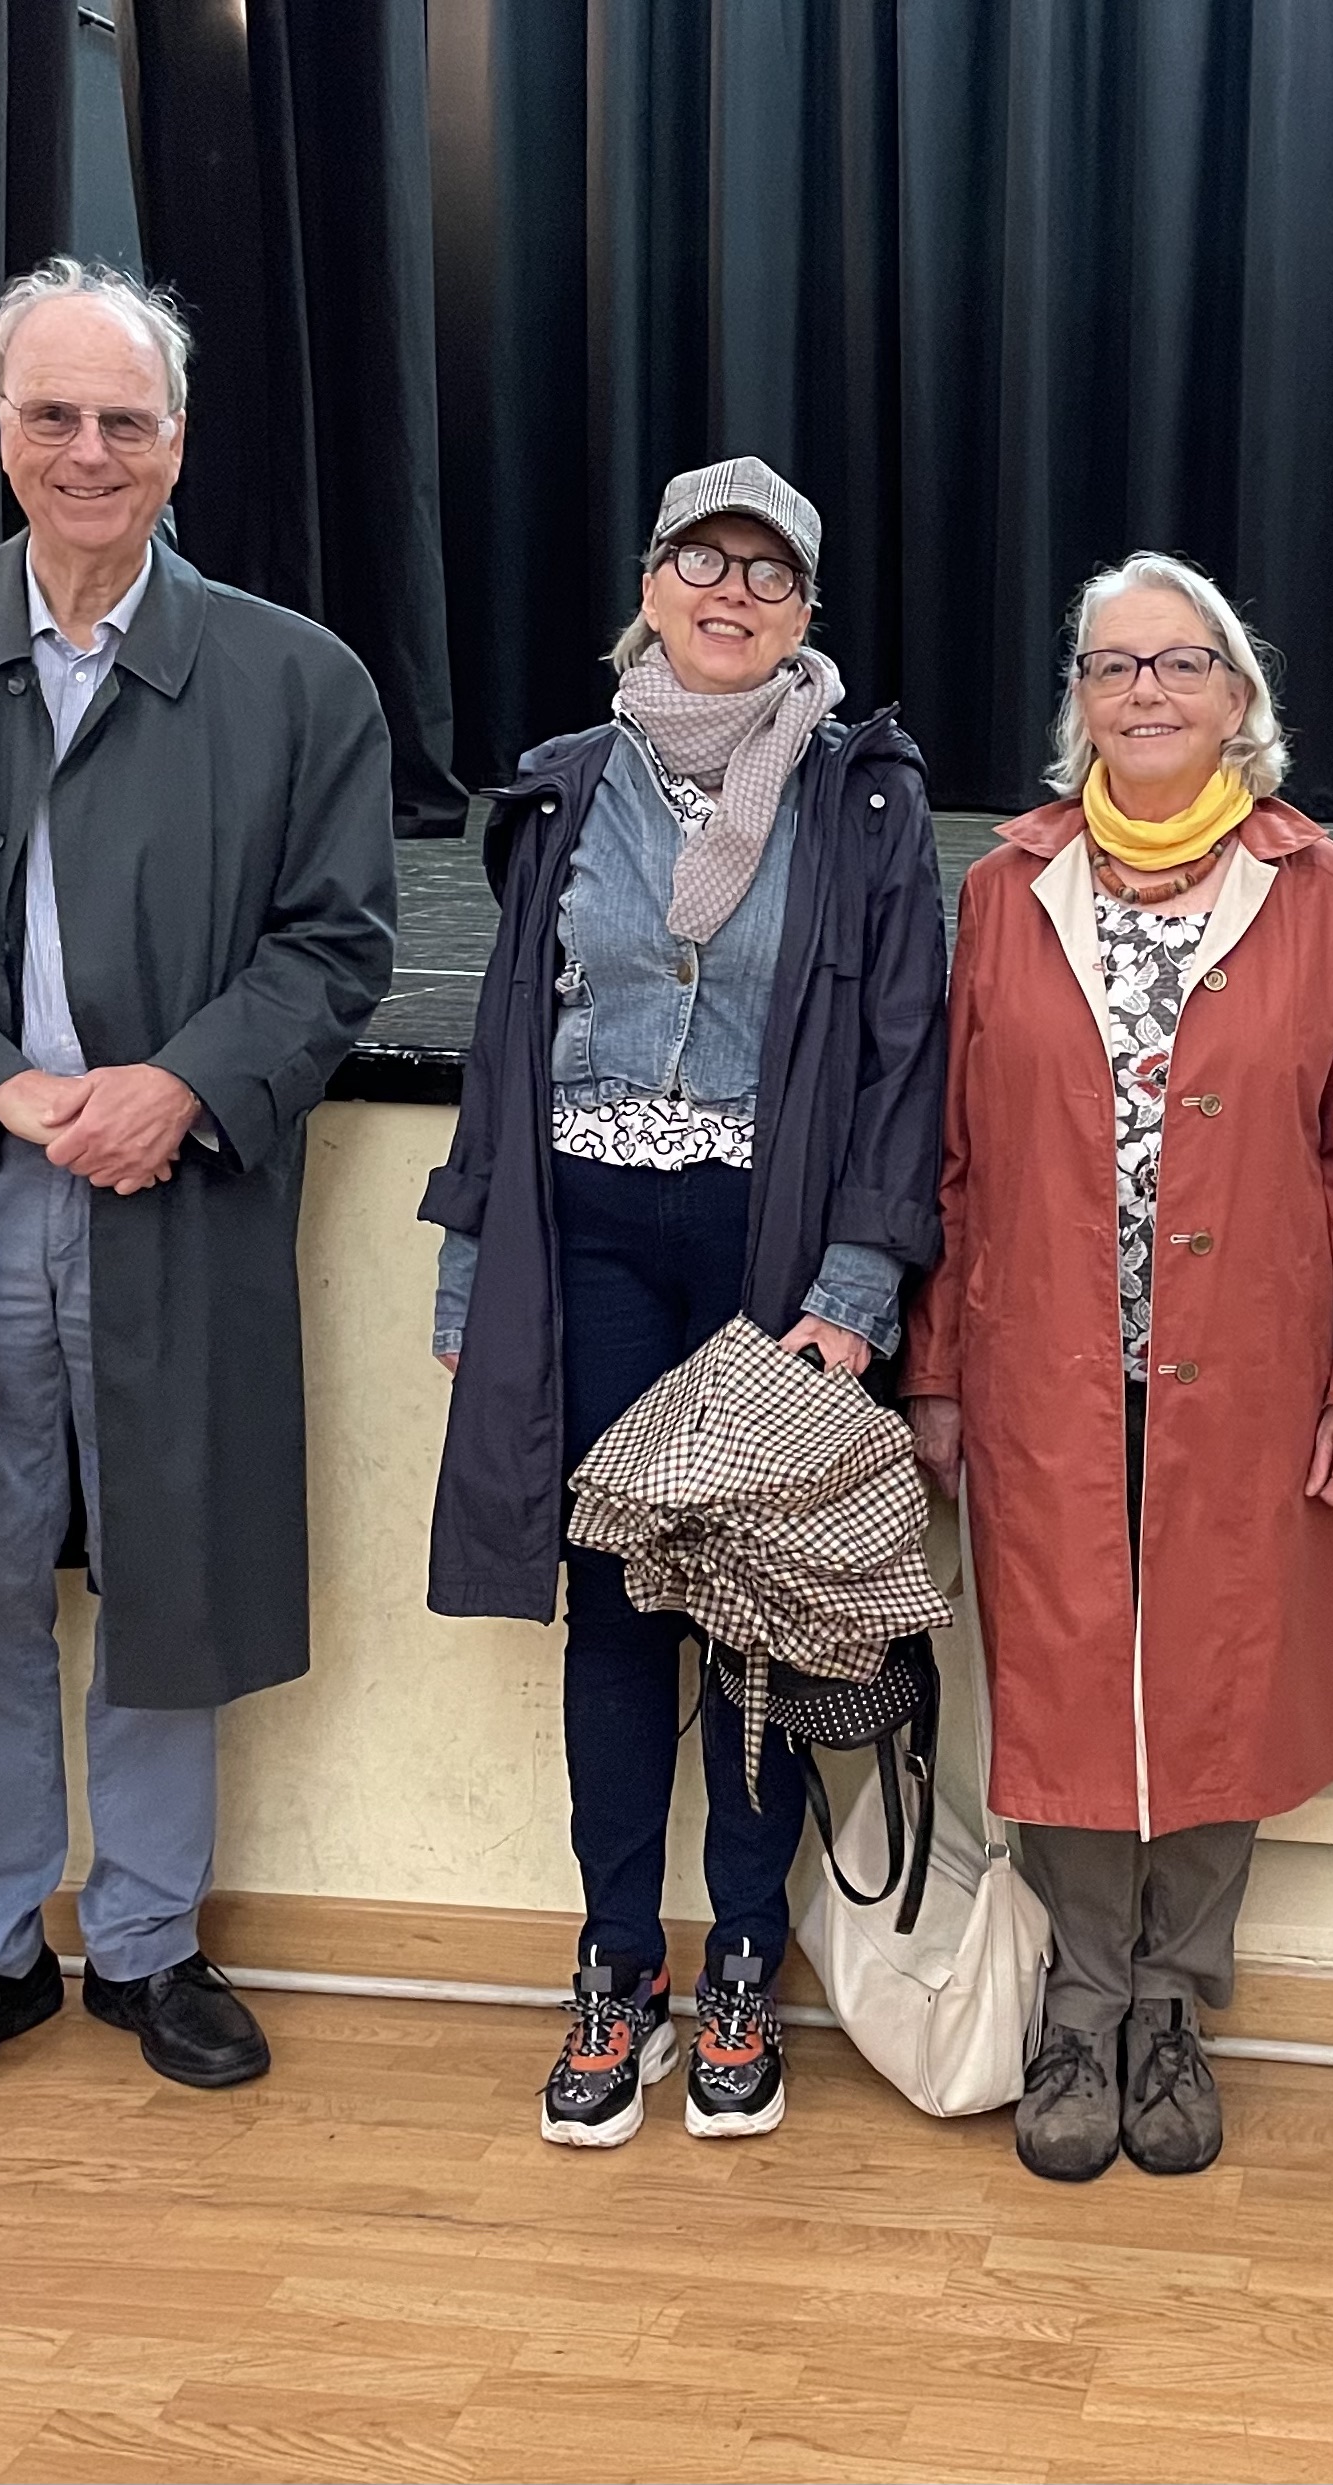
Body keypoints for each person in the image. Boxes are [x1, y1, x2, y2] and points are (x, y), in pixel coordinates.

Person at [0, 260, 398, 2118]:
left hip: (172, 1190)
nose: (88, 450)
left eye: (125, 418)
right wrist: (5, 1085)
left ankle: (148, 1942)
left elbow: (333, 942)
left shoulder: (297, 679)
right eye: (52, 413)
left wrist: (181, 1083)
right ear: (0, 430)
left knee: (165, 1563)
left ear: (178, 444)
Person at [420, 457, 948, 2150]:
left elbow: (905, 1064)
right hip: (583, 1245)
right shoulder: (564, 786)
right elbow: (506, 1039)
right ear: (649, 586)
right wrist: (468, 1260)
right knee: (616, 1606)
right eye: (701, 562)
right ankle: (614, 1962)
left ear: (806, 612)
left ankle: (741, 1964)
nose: (732, 594)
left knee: (758, 1615)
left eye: (768, 573)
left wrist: (858, 1283)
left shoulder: (862, 796)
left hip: (769, 1255)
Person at [904, 553, 1333, 2185]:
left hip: (1251, 1369)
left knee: (1221, 1669)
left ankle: (1175, 2001)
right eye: (1113, 665)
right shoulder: (1007, 889)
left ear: (1235, 695)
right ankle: (1079, 2001)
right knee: (1059, 1671)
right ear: (1079, 699)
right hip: (1040, 1365)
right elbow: (953, 1155)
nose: (1145, 691)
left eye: (1179, 663)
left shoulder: (1317, 891)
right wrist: (934, 1367)